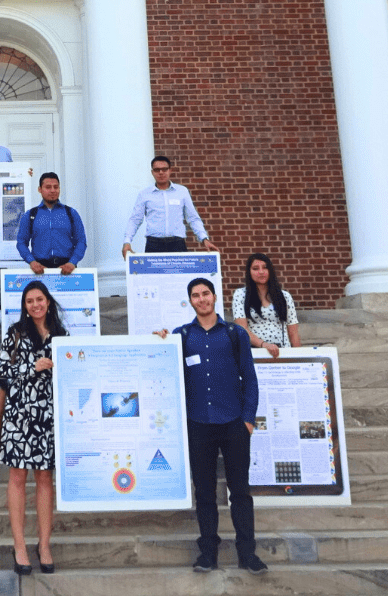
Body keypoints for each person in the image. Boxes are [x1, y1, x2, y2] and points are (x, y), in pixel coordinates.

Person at [155, 277, 265, 574]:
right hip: (198, 424)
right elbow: (164, 368)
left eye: (206, 294)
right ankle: (208, 553)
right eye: (195, 295)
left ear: (214, 297)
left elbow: (250, 378)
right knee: (204, 492)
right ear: (190, 301)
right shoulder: (182, 335)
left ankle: (248, 553)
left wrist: (248, 420)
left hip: (233, 423)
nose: (201, 299)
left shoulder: (234, 333)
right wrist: (160, 340)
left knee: (240, 491)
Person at [0, 279, 64, 575]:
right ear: (24, 306)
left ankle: (44, 544)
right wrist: (31, 367)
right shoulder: (15, 334)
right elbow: (2, 373)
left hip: (48, 416)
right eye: (29, 301)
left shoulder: (62, 335)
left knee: (45, 479)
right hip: (19, 415)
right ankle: (20, 544)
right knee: (17, 477)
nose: (35, 305)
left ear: (48, 302)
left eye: (39, 299)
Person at [121, 155, 216, 256]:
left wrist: (204, 239)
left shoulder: (182, 191)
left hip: (177, 244)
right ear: (152, 172)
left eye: (164, 169)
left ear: (170, 170)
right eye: (157, 170)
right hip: (154, 245)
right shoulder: (144, 194)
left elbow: (193, 218)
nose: (161, 172)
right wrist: (127, 241)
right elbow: (135, 219)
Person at [231, 252, 302, 358]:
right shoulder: (240, 295)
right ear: (249, 272)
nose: (261, 272)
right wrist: (264, 345)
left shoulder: (285, 296)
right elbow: (242, 329)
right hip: (255, 353)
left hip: (283, 353)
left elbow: (293, 332)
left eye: (265, 267)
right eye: (255, 268)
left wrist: (300, 357)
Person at [15, 172, 87, 274]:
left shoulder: (71, 213)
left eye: (56, 187)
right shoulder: (30, 215)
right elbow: (21, 242)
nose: (53, 190)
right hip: (40, 270)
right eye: (48, 187)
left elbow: (81, 241)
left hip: (67, 269)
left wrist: (72, 262)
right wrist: (32, 262)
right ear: (40, 189)